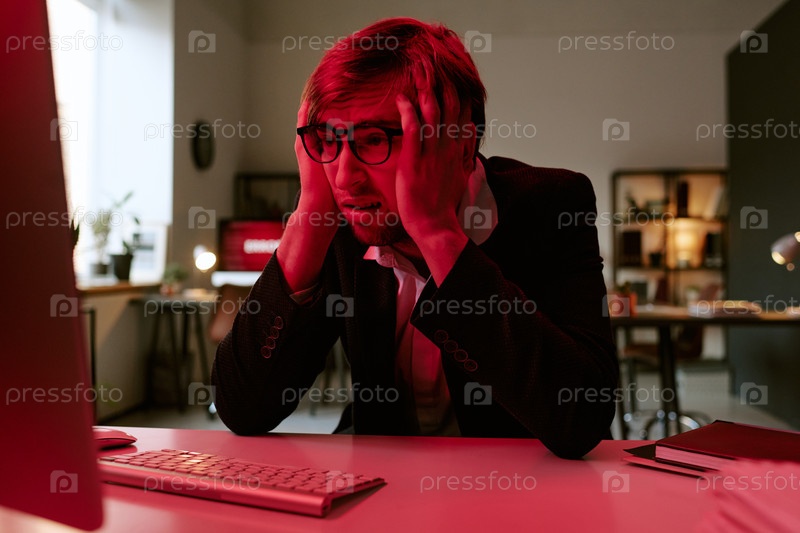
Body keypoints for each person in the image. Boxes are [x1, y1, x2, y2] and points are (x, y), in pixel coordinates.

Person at [212, 17, 618, 459]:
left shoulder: (551, 204)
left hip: (521, 487)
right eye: (327, 140)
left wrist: (437, 232)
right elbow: (242, 408)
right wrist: (308, 218)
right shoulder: (338, 221)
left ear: (461, 146)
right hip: (378, 483)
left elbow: (581, 418)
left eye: (373, 140)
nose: (344, 177)